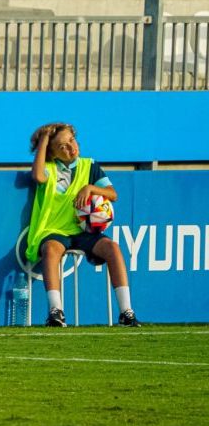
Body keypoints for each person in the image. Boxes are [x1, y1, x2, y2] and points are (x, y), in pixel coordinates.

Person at [26, 122, 141, 328]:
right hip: (54, 230)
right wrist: (44, 138)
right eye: (62, 146)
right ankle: (56, 312)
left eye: (72, 140)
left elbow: (113, 194)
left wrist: (90, 188)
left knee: (112, 248)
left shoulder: (90, 166)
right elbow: (37, 176)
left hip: (84, 231)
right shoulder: (49, 169)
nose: (71, 148)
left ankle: (126, 313)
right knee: (51, 249)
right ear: (52, 153)